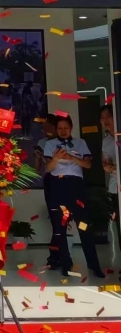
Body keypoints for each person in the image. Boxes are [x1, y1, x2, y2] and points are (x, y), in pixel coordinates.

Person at [43, 115, 105, 279]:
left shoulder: (80, 143)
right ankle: (65, 263)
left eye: (66, 128)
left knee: (84, 226)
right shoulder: (50, 144)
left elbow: (88, 164)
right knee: (60, 228)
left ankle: (94, 265)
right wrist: (56, 158)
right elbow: (48, 168)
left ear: (71, 128)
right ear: (56, 130)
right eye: (60, 128)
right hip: (58, 186)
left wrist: (72, 158)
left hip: (76, 187)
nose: (63, 131)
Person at [35, 114, 60, 269]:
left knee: (63, 220)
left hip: (65, 180)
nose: (44, 129)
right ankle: (55, 256)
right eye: (43, 127)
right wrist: (38, 157)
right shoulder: (42, 143)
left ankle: (60, 255)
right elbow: (39, 169)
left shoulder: (64, 141)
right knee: (55, 219)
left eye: (47, 126)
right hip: (50, 181)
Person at [100, 104, 121, 246]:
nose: (105, 120)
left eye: (108, 116)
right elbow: (106, 165)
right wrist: (112, 168)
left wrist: (113, 168)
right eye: (102, 118)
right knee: (119, 224)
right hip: (115, 188)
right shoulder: (106, 141)